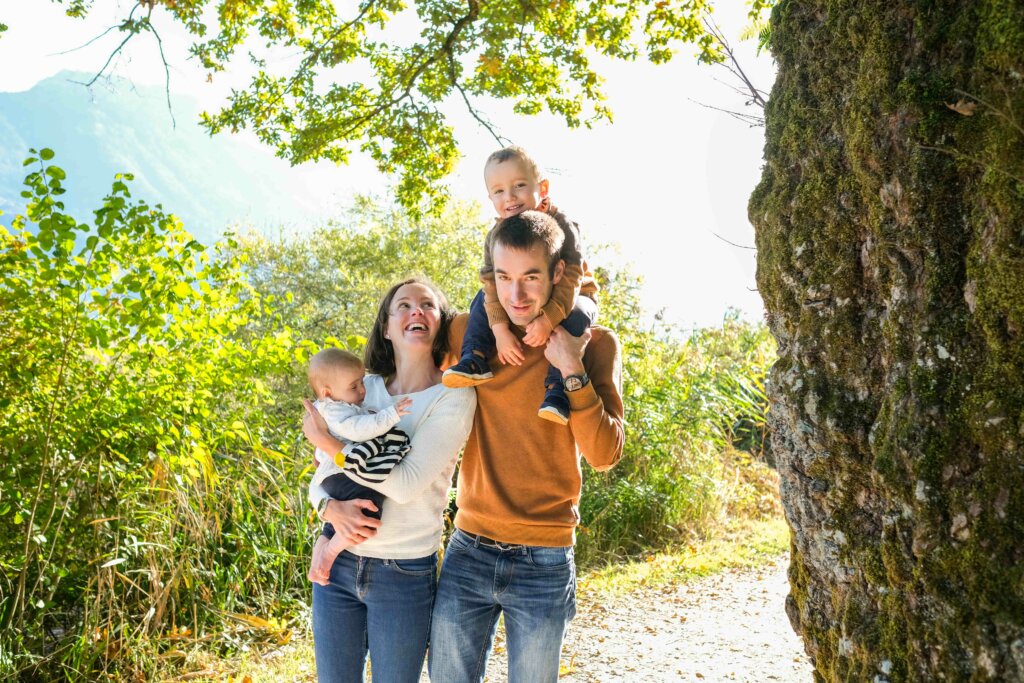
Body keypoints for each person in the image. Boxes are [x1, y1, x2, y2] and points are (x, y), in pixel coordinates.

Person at [430, 210, 625, 682]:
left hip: (545, 556)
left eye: (530, 277)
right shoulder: (470, 336)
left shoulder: (595, 343)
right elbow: (400, 373)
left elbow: (604, 455)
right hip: (468, 548)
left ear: (559, 273)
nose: (515, 295)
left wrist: (571, 368)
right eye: (504, 278)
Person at [301, 278, 477, 683]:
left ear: (440, 322)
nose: (416, 311)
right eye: (404, 305)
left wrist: (330, 444)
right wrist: (328, 510)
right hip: (336, 565)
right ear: (386, 326)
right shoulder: (360, 390)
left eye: (428, 305)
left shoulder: (453, 396)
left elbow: (405, 485)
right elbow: (322, 473)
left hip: (403, 573)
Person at [442, 145, 599, 426]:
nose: (510, 197)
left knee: (578, 315)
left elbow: (573, 276)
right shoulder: (497, 234)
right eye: (499, 191)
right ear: (490, 197)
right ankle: (474, 356)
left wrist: (549, 319)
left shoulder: (563, 224)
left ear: (542, 188)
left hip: (574, 294)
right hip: (525, 298)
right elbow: (491, 283)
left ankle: (557, 388)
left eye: (519, 186)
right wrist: (500, 329)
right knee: (481, 298)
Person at [305, 347, 414, 586]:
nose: (362, 390)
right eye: (354, 387)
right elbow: (358, 430)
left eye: (362, 382)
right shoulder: (335, 410)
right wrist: (390, 415)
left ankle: (324, 544)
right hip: (342, 472)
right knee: (368, 510)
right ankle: (330, 551)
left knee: (350, 510)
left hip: (338, 470)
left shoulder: (334, 404)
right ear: (328, 392)